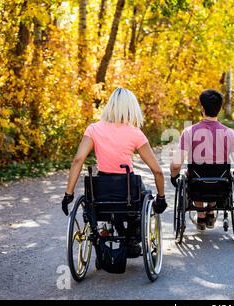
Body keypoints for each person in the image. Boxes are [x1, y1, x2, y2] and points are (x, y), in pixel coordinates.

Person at [61, 88, 167, 253]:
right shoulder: (135, 133)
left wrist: (69, 193)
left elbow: (78, 160)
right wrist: (161, 198)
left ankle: (115, 236)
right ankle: (131, 237)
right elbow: (158, 171)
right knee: (143, 195)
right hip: (126, 189)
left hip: (101, 189)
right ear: (132, 108)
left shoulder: (93, 129)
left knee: (110, 199)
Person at [170, 89, 234, 231]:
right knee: (219, 175)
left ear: (202, 109)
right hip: (220, 186)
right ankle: (211, 211)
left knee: (192, 175)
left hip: (196, 187)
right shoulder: (231, 134)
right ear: (220, 109)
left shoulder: (189, 132)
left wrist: (174, 177)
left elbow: (175, 166)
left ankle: (201, 214)